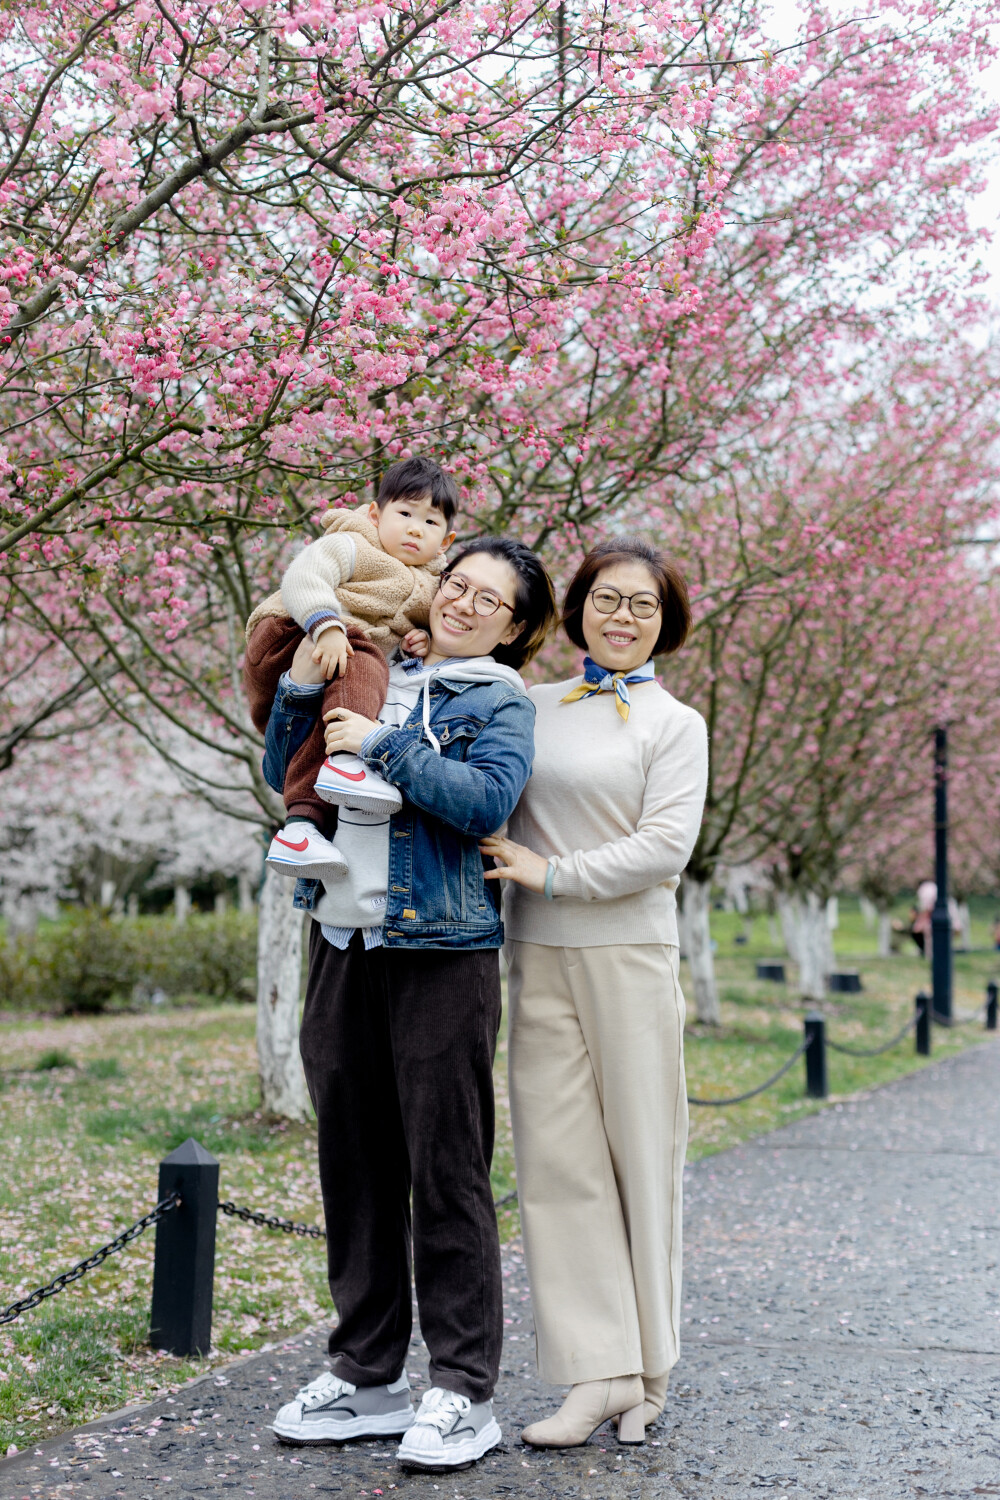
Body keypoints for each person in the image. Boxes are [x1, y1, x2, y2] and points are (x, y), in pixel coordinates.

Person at [258, 537, 556, 1473]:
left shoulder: (499, 699)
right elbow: (285, 769)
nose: (464, 603)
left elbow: (486, 800)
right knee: (354, 1164)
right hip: (342, 940)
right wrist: (304, 691)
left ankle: (462, 1388)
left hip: (440, 951)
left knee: (447, 1168)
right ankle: (367, 1372)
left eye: (489, 600)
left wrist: (383, 744)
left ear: (515, 630)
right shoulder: (383, 662)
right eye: (455, 584)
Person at [480, 536, 708, 1449]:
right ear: (575, 610)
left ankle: (650, 1372)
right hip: (537, 955)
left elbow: (665, 848)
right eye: (608, 600)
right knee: (558, 1168)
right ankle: (598, 1373)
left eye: (643, 605)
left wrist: (553, 870)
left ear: (666, 623)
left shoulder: (673, 724)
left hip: (629, 957)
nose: (623, 617)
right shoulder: (528, 704)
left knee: (642, 1163)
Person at [243, 455, 457, 881]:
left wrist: (418, 641)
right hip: (288, 633)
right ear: (375, 514)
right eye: (404, 513)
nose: (415, 528)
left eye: (430, 523)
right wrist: (325, 626)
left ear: (447, 541)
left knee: (334, 713)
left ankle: (301, 828)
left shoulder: (433, 586)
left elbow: (404, 633)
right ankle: (347, 760)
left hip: (333, 665)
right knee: (363, 655)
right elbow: (304, 577)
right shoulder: (353, 544)